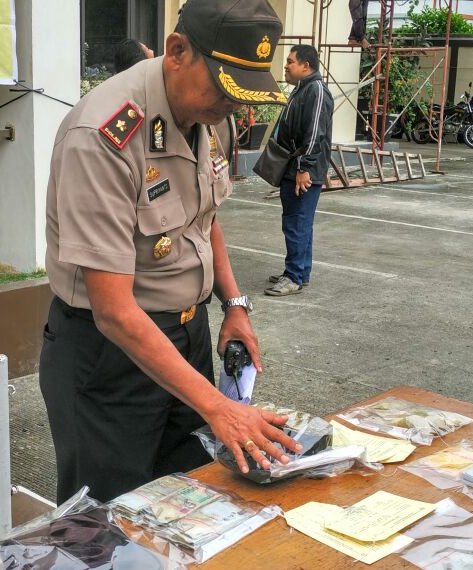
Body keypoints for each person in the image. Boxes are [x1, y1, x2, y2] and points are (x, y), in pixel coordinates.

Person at [40, 0, 299, 504]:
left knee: (191, 502)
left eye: (243, 93)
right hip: (108, 355)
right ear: (177, 51)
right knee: (107, 524)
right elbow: (113, 312)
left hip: (187, 336)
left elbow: (204, 217)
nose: (234, 107)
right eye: (225, 88)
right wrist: (220, 409)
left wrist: (235, 304)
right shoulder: (104, 135)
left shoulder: (212, 116)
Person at [265, 44, 333, 297]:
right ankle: (299, 271)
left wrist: (304, 167)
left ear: (306, 66)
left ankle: (293, 276)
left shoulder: (315, 90)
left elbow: (315, 133)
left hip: (303, 171)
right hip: (296, 168)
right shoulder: (302, 90)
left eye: (291, 61)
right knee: (300, 223)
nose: (286, 65)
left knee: (297, 224)